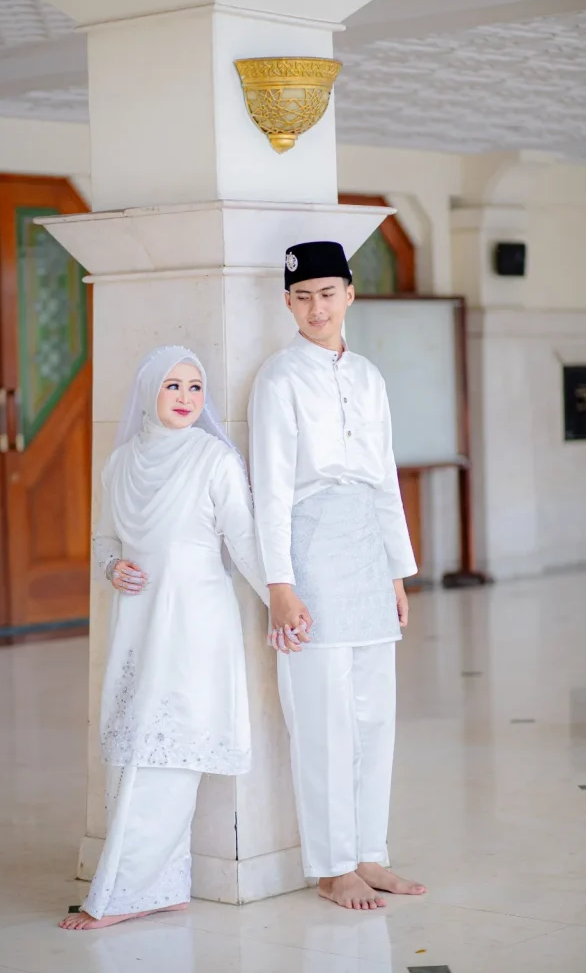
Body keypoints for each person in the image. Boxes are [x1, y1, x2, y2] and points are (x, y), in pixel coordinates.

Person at [60, 345, 267, 931]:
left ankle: (122, 892)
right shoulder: (120, 462)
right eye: (172, 386)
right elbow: (105, 540)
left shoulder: (214, 459)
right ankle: (162, 885)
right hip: (138, 622)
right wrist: (112, 568)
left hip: (195, 625)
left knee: (166, 751)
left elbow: (244, 541)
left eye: (195, 387)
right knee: (133, 747)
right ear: (149, 392)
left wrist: (283, 599)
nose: (185, 398)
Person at [248, 240, 426, 912]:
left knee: (375, 717)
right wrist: (280, 584)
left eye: (327, 293)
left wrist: (397, 572)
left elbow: (385, 480)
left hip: (368, 556)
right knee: (322, 719)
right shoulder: (278, 379)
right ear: (287, 303)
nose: (316, 308)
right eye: (302, 297)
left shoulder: (370, 378)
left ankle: (369, 853)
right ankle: (330, 868)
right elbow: (270, 491)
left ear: (349, 294)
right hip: (311, 551)